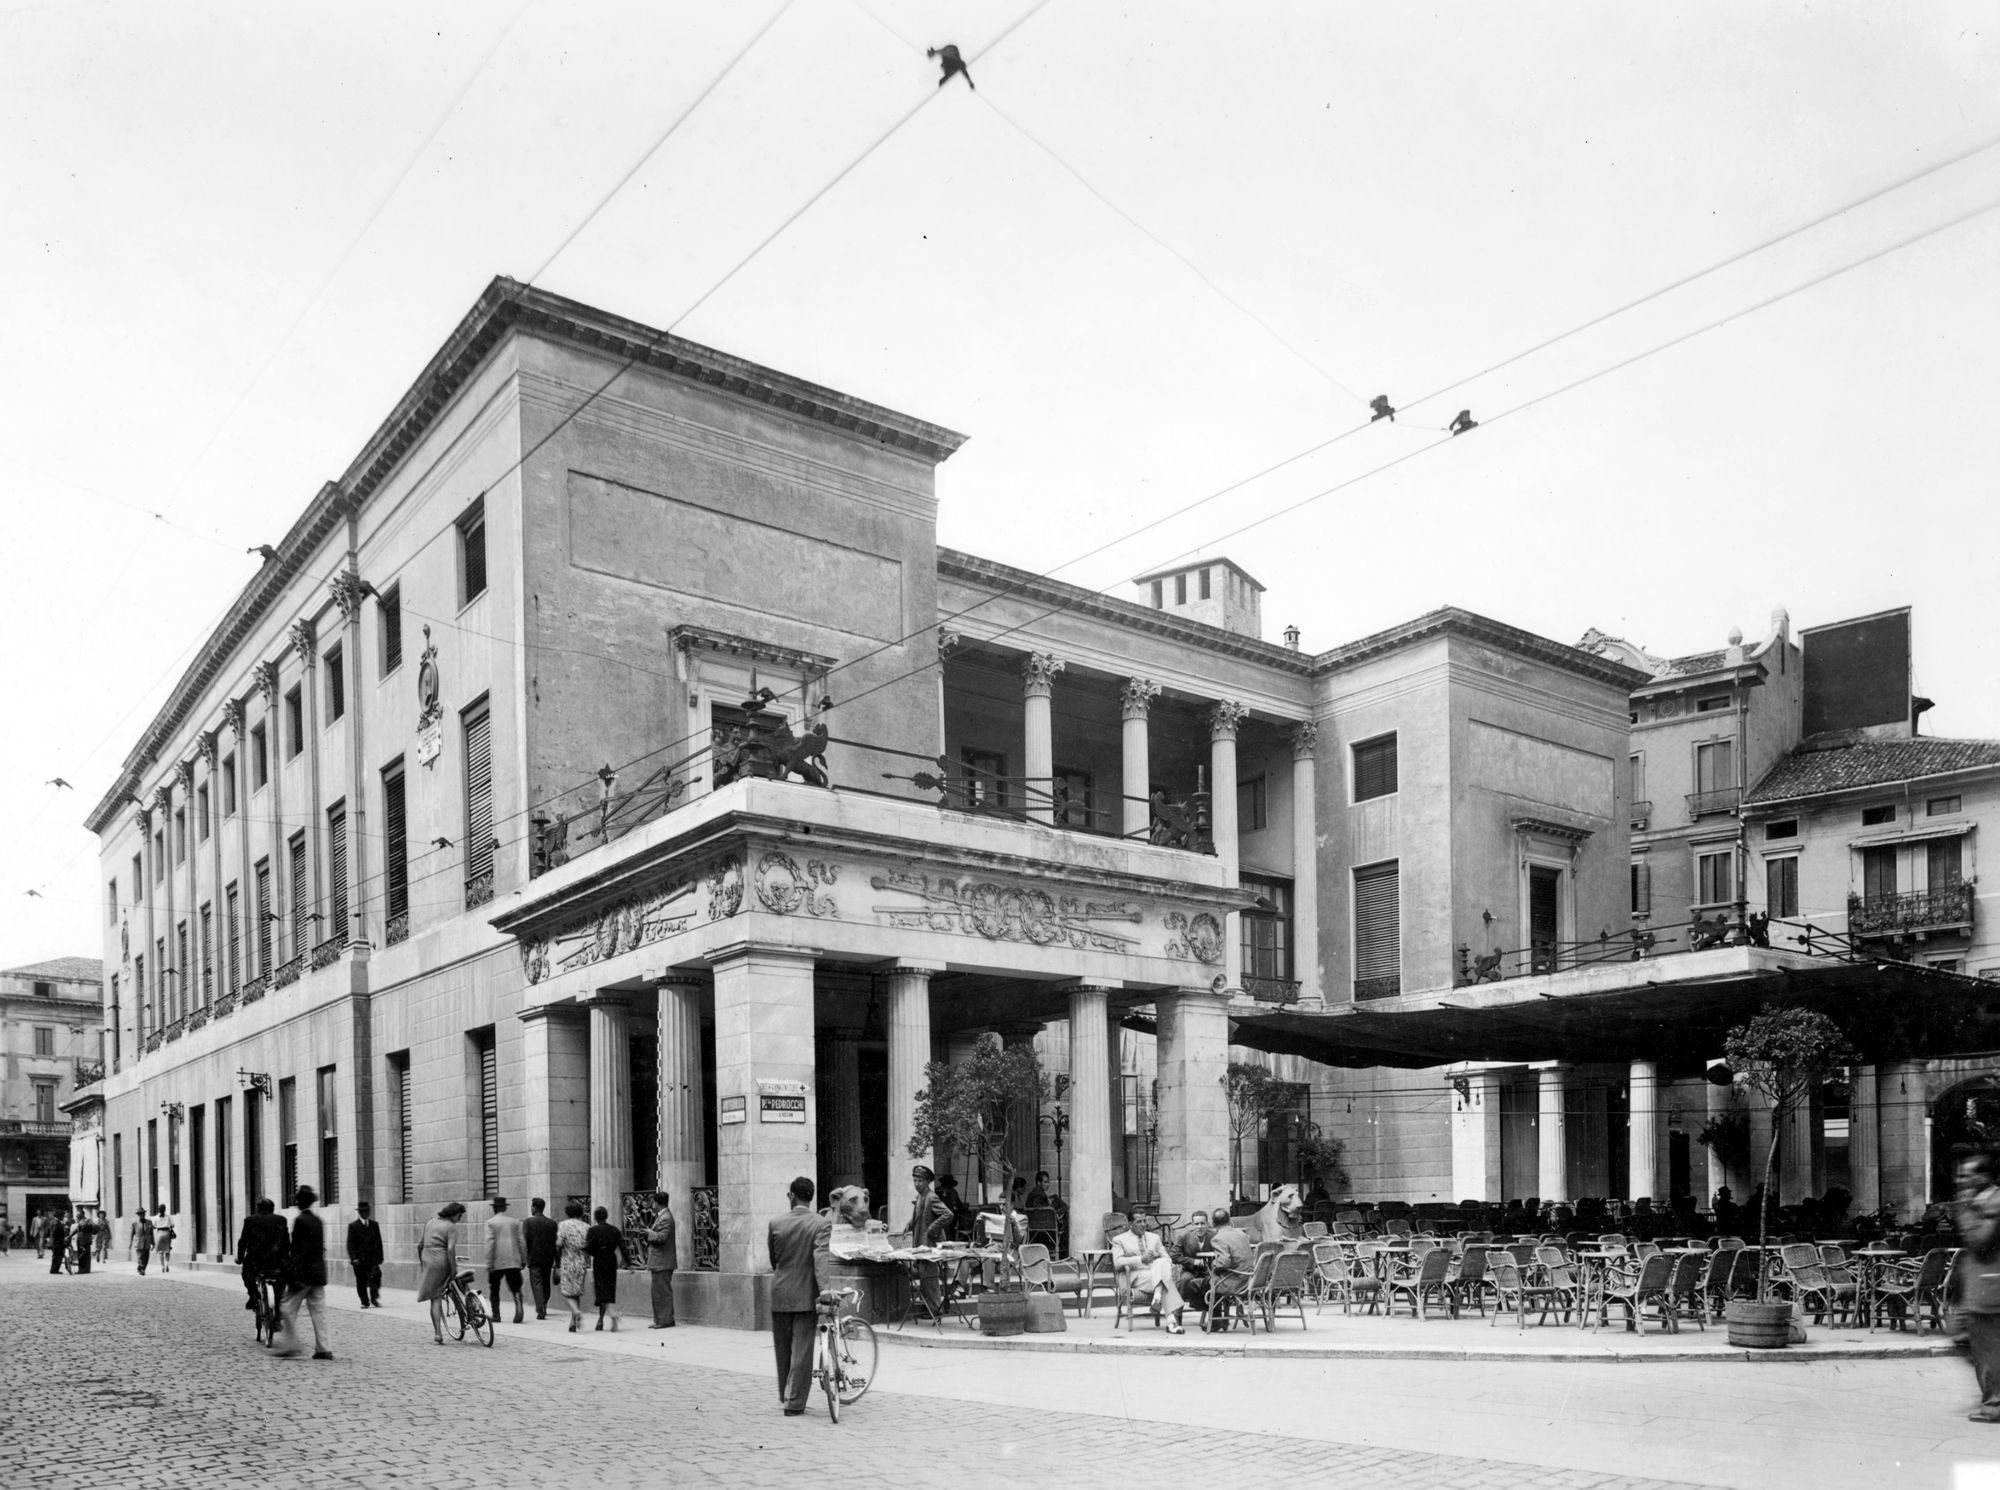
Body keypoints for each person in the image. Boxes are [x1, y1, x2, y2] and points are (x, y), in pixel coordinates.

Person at [767, 1176, 826, 1416]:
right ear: (811, 1197)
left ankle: (785, 1394)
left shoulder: (775, 1222)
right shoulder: (820, 1223)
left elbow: (773, 1259)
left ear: (792, 1195)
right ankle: (794, 1401)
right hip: (805, 1294)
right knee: (801, 1350)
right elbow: (820, 1259)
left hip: (780, 1291)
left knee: (782, 1349)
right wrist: (825, 1291)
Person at [1956, 1151, 2000, 1422]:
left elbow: (1981, 1242)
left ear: (1984, 1177)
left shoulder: (1991, 1203)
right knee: (1962, 1335)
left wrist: (1967, 1212)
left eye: (1968, 1176)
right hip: (1980, 1285)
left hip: (1989, 1286)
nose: (1962, 1181)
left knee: (1986, 1347)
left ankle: (1994, 1403)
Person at [273, 1185, 332, 1360]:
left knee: (286, 1308)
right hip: (318, 1275)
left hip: (304, 1275)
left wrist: (294, 1274)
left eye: (298, 1199)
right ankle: (324, 1348)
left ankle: (291, 1345)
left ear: (301, 1201)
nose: (296, 1201)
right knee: (319, 1312)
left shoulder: (300, 1221)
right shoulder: (318, 1220)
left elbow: (299, 1251)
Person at [1111, 1216, 1186, 1333]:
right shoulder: (1119, 1240)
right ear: (1130, 1224)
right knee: (1166, 1281)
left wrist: (1155, 1255)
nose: (1143, 1224)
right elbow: (1117, 1263)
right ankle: (1170, 1319)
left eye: (1145, 1221)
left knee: (1162, 1262)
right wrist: (1140, 1259)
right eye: (1139, 1222)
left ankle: (1158, 1299)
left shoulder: (1154, 1238)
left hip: (1154, 1274)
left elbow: (1167, 1258)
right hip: (1135, 1276)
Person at [906, 1165, 955, 1319]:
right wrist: (908, 1225)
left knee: (930, 1277)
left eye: (919, 1180)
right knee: (924, 1275)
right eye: (915, 1180)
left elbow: (948, 1214)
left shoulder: (931, 1197)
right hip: (921, 1241)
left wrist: (932, 1229)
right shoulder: (921, 1196)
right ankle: (930, 1308)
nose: (916, 1183)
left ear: (927, 1182)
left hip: (931, 1243)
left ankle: (936, 1310)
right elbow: (919, 1215)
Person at [414, 1202, 465, 1346]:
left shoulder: (430, 1222)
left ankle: (437, 1333)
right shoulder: (451, 1227)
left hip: (427, 1258)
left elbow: (420, 1245)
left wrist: (422, 1263)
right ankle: (470, 1306)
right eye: (460, 1216)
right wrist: (453, 1268)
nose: (460, 1219)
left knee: (434, 1299)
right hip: (440, 1259)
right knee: (457, 1277)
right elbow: (450, 1249)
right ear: (454, 1214)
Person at [1204, 1208, 1256, 1332]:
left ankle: (1216, 1321)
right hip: (1249, 1279)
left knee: (1201, 1284)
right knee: (1210, 1281)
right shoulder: (1241, 1233)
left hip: (1235, 1282)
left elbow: (1224, 1262)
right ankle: (1221, 1320)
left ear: (1213, 1223)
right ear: (1229, 1220)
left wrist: (1213, 1266)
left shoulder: (1218, 1238)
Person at [238, 1198, 288, 1323]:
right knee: (281, 1281)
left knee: (246, 1274)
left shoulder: (250, 1220)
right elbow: (286, 1242)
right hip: (276, 1261)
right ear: (272, 1209)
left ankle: (253, 1295)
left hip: (255, 1261)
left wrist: (239, 1257)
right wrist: (286, 1257)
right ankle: (277, 1307)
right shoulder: (281, 1220)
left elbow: (243, 1241)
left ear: (258, 1208)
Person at [485, 1196, 526, 1324]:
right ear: (505, 1207)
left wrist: (488, 1261)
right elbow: (521, 1242)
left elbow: (490, 1243)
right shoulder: (515, 1222)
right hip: (513, 1259)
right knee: (515, 1286)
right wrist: (523, 1258)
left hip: (497, 1261)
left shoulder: (491, 1222)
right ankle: (517, 1298)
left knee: (494, 1288)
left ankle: (496, 1314)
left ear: (494, 1208)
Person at [584, 1205, 623, 1332]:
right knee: (607, 1290)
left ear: (595, 1218)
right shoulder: (615, 1230)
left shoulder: (593, 1230)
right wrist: (629, 1262)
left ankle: (612, 1315)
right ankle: (600, 1320)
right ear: (606, 1216)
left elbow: (590, 1248)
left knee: (600, 1290)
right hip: (611, 1261)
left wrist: (585, 1250)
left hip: (599, 1260)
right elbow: (623, 1247)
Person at [555, 1201, 590, 1333]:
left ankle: (576, 1311)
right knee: (576, 1291)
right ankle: (573, 1323)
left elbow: (558, 1243)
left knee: (566, 1290)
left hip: (568, 1260)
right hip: (581, 1261)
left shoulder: (563, 1225)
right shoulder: (586, 1226)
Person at [645, 1192, 677, 1329]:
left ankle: (665, 1320)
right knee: (658, 1292)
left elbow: (662, 1238)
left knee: (662, 1292)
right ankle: (660, 1319)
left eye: (653, 1202)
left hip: (662, 1261)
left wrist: (649, 1233)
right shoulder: (663, 1216)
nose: (652, 1205)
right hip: (660, 1262)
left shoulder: (665, 1218)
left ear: (657, 1203)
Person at [524, 1197, 558, 1321]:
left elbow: (525, 1242)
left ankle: (541, 1307)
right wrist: (557, 1261)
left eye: (532, 1207)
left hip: (534, 1258)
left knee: (537, 1283)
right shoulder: (552, 1223)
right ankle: (543, 1305)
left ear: (534, 1208)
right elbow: (555, 1243)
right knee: (545, 1283)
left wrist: (523, 1258)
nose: (531, 1209)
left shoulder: (528, 1222)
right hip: (548, 1258)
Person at [346, 1200, 385, 1308]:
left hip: (372, 1258)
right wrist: (353, 1258)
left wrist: (380, 1256)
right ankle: (364, 1301)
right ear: (360, 1213)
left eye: (368, 1210)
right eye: (365, 1211)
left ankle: (374, 1298)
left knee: (376, 1277)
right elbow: (350, 1244)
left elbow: (379, 1242)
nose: (367, 1213)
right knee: (361, 1280)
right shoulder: (353, 1226)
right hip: (359, 1259)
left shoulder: (374, 1225)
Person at [46, 1211, 70, 1276]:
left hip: (55, 1241)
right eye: (62, 1215)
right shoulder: (56, 1223)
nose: (63, 1217)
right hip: (57, 1242)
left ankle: (54, 1269)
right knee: (57, 1256)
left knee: (56, 1256)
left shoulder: (53, 1221)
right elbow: (56, 1233)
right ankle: (54, 1270)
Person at [153, 1205, 175, 1273]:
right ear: (165, 1209)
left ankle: (162, 1267)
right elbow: (172, 1225)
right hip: (167, 1233)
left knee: (160, 1251)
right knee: (167, 1250)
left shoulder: (156, 1217)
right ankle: (167, 1265)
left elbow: (154, 1226)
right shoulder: (168, 1216)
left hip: (159, 1233)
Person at [133, 1209, 154, 1275]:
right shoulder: (135, 1223)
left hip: (147, 1242)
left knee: (146, 1257)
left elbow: (151, 1233)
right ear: (138, 1215)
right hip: (139, 1242)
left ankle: (142, 1268)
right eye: (140, 1214)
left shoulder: (149, 1222)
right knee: (140, 1256)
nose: (142, 1215)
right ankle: (141, 1268)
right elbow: (132, 1233)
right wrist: (130, 1243)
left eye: (143, 1213)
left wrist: (153, 1242)